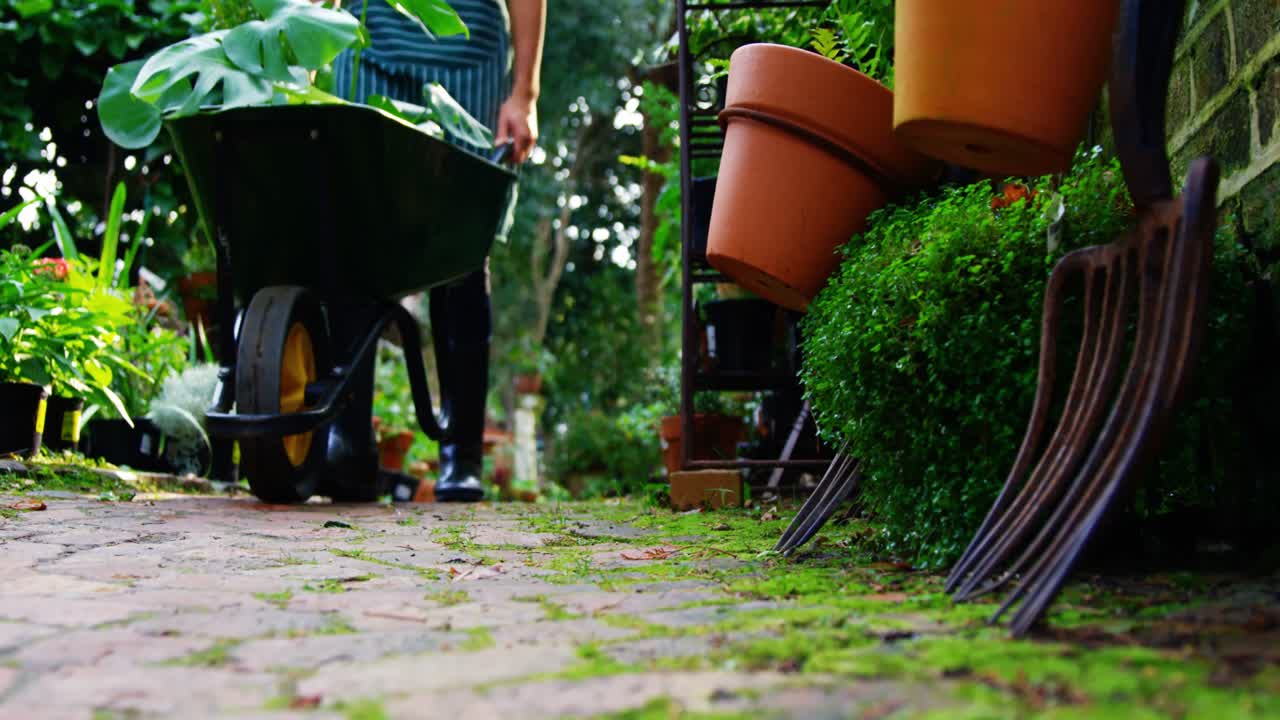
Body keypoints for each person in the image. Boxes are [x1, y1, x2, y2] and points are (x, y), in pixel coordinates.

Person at [333, 0, 544, 502]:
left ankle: (461, 454)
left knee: (462, 247)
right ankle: (347, 443)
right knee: (356, 229)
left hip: (468, 52)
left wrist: (525, 94)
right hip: (370, 41)